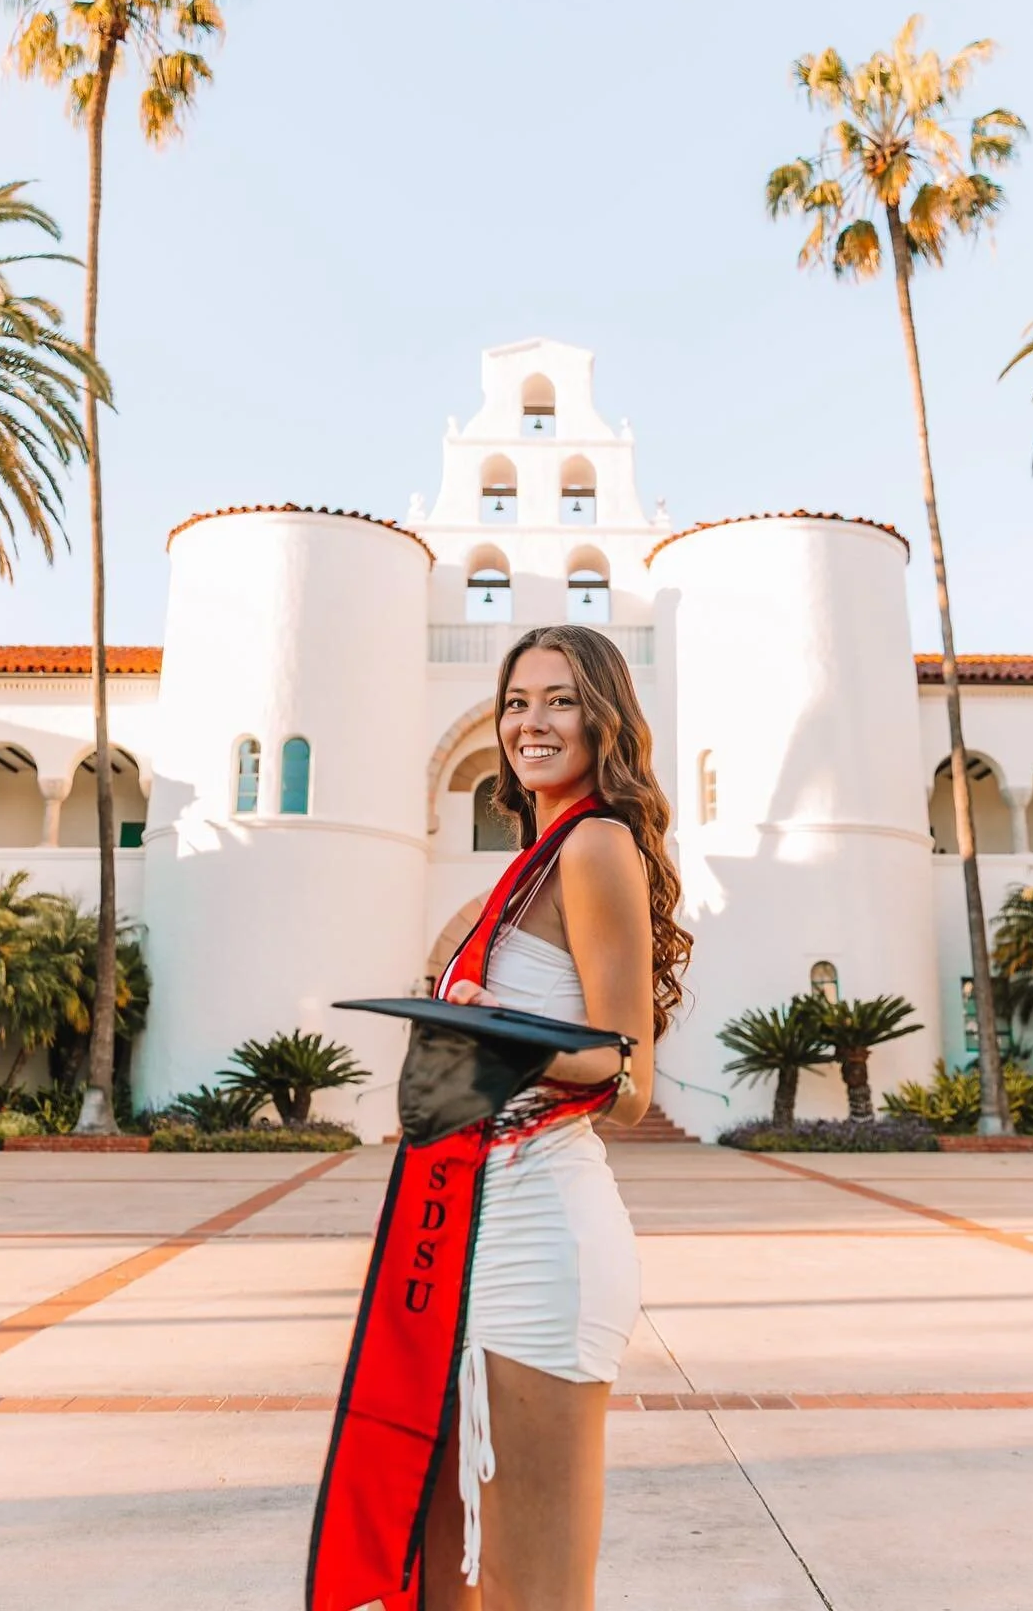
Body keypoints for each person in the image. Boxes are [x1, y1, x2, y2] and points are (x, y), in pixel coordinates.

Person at [306, 623, 691, 1611]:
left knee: (534, 1593)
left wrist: (505, 1038)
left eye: (560, 700)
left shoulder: (597, 845)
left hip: (538, 1243)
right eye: (517, 702)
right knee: (443, 1579)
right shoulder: (522, 871)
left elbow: (629, 1077)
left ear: (604, 718)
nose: (532, 722)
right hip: (458, 1235)